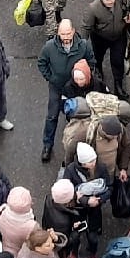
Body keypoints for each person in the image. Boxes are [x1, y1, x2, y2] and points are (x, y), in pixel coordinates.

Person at [37, 19, 97, 164]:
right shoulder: (49, 47)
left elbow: (91, 63)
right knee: (52, 116)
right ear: (58, 33)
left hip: (76, 89)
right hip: (57, 87)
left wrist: (83, 78)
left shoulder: (83, 46)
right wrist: (51, 77)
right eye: (62, 34)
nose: (65, 37)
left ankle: (76, 146)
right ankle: (47, 145)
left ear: (73, 31)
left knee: (77, 117)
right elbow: (41, 63)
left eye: (68, 33)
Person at [80, 0, 130, 100]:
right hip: (100, 38)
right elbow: (86, 27)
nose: (110, 2)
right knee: (98, 58)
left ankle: (118, 86)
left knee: (118, 61)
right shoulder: (92, 8)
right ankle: (99, 75)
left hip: (119, 36)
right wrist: (82, 46)